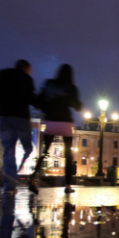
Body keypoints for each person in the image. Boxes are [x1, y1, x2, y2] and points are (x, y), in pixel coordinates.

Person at [29, 64, 83, 194]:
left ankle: (32, 178)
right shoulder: (71, 87)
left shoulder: (49, 84)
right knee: (69, 155)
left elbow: (39, 101)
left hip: (51, 122)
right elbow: (77, 105)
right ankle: (68, 186)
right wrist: (76, 104)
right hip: (66, 123)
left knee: (44, 152)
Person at [0, 59, 39, 194]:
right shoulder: (25, 78)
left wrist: (1, 110)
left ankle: (9, 183)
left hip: (5, 118)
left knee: (8, 150)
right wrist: (41, 104)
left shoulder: (1, 78)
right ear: (26, 69)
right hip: (21, 118)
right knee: (29, 148)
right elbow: (29, 97)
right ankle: (17, 171)